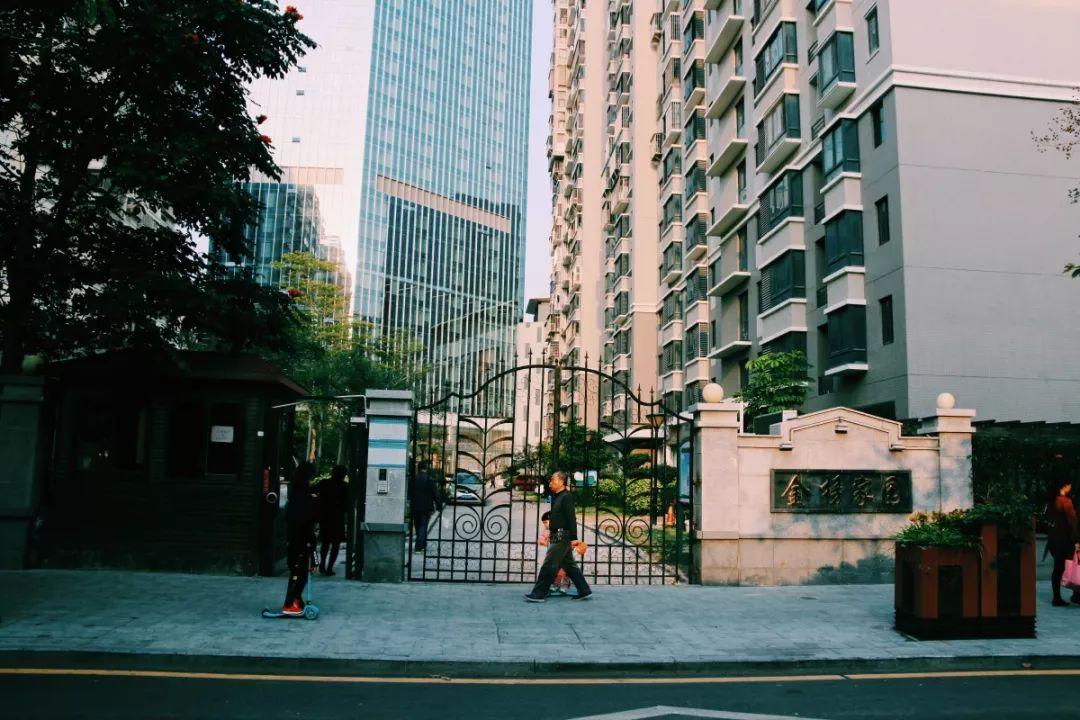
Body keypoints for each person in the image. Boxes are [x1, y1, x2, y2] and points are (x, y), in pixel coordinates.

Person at [525, 471, 592, 602]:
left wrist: (574, 537)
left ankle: (539, 594)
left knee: (549, 565)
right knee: (569, 565)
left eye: (553, 480)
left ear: (561, 481)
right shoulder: (557, 496)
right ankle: (584, 590)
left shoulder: (566, 496)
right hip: (557, 534)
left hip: (562, 535)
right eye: (550, 480)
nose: (550, 483)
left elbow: (571, 517)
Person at [282, 461, 319, 616]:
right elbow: (305, 517)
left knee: (299, 571)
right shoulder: (303, 492)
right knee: (299, 571)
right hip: (301, 537)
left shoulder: (297, 489)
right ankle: (290, 603)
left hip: (296, 536)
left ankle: (295, 600)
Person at [1045, 478, 1079, 607]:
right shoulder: (1066, 502)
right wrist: (1077, 540)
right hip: (1066, 540)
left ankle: (1056, 597)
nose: (1070, 487)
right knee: (1075, 566)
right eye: (1069, 485)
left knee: (1058, 569)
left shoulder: (1051, 503)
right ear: (1064, 487)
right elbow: (1072, 522)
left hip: (1054, 540)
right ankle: (1076, 595)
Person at [318, 465, 348, 576]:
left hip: (325, 517)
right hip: (337, 518)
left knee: (325, 543)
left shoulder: (324, 483)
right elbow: (346, 504)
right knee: (335, 544)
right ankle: (329, 568)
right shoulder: (345, 486)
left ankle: (322, 564)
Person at [409, 461, 441, 553]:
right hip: (426, 507)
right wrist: (438, 505)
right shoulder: (429, 479)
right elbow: (435, 493)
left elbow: (409, 492)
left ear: (418, 468)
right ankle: (419, 546)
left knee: (418, 526)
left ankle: (422, 544)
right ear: (426, 469)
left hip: (415, 506)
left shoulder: (413, 479)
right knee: (423, 526)